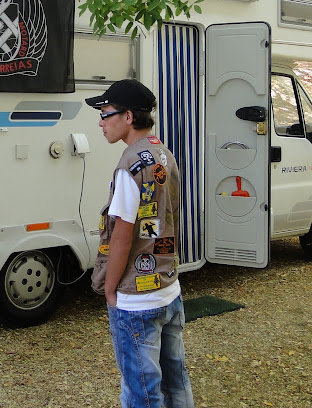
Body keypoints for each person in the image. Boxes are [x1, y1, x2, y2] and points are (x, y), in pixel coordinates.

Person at [86, 78, 194, 408]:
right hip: (168, 288)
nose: (101, 122)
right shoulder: (163, 153)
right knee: (176, 382)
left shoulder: (127, 167)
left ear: (128, 117)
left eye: (105, 113)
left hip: (137, 300)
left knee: (142, 393)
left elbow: (121, 236)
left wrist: (110, 288)